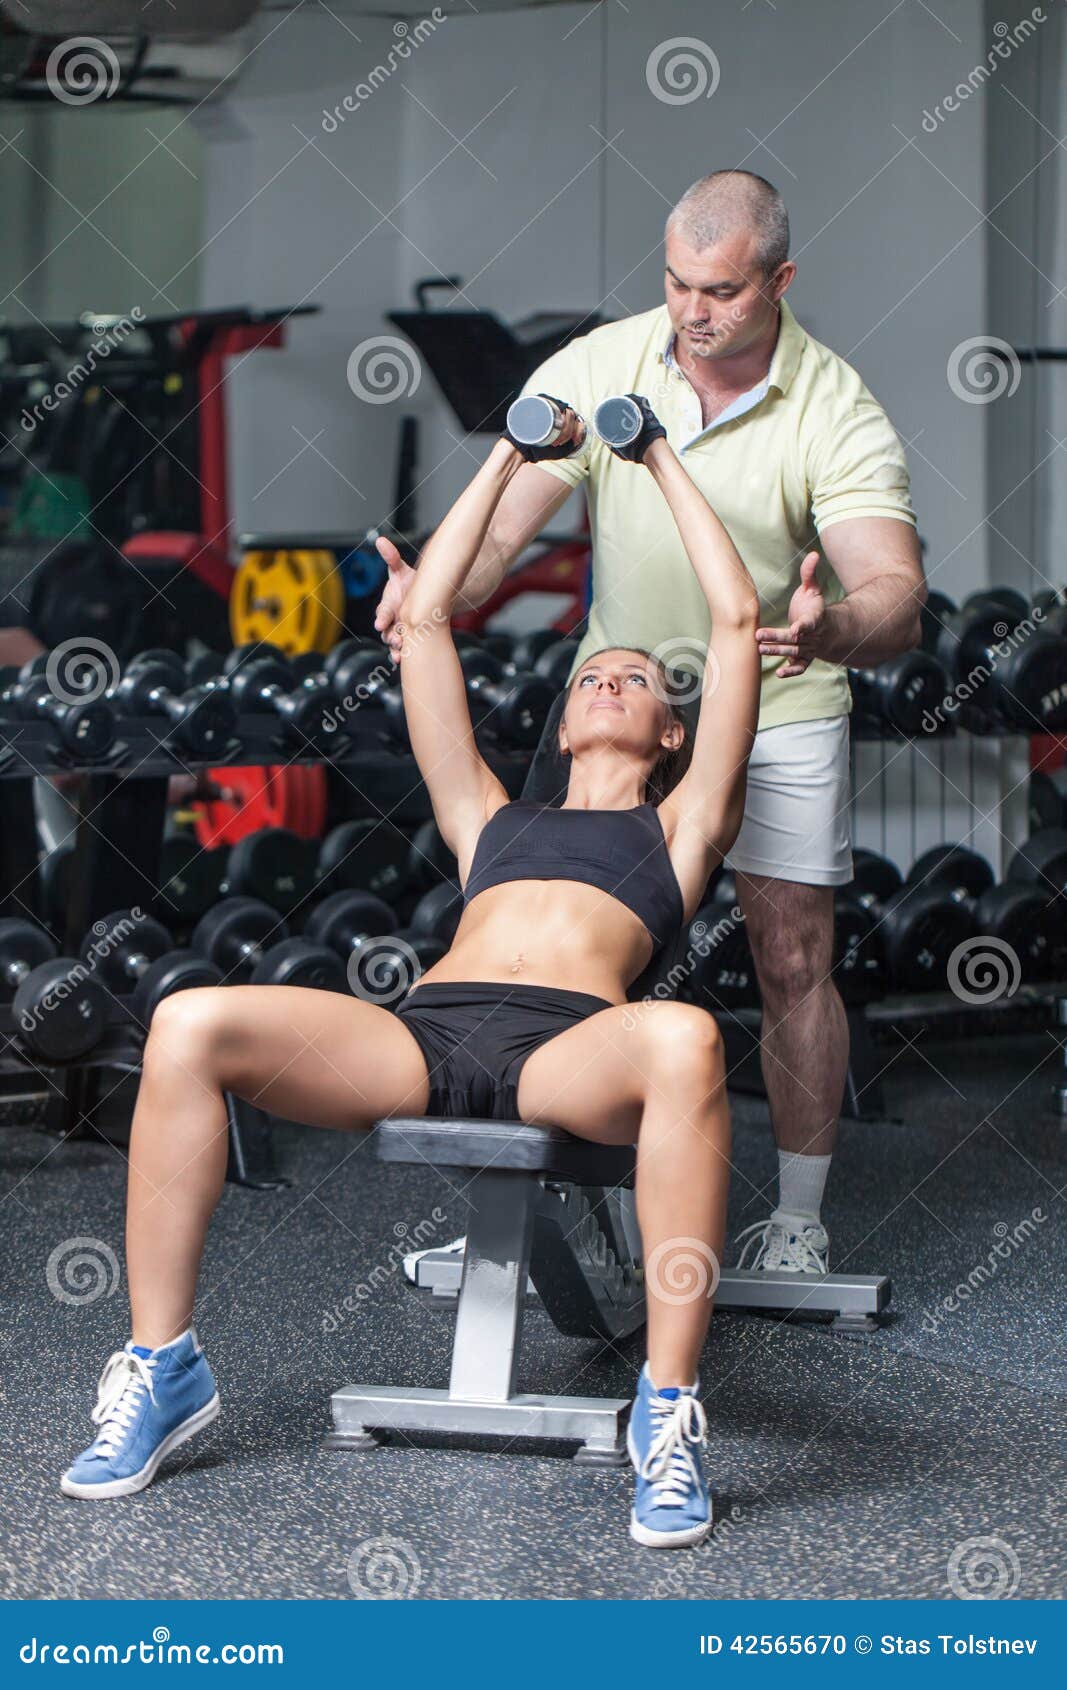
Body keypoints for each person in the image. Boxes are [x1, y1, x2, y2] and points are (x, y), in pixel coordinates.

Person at [60, 394, 761, 1551]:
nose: (605, 680)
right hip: (427, 1035)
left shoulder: (681, 827)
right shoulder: (488, 815)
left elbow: (733, 622)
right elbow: (425, 618)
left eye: (634, 677)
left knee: (683, 1034)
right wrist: (513, 450)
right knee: (188, 1020)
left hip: (564, 1053)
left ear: (670, 733)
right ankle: (160, 1364)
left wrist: (651, 454)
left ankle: (668, 1411)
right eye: (591, 673)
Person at [378, 170, 926, 1280]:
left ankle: (801, 1220)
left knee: (788, 955)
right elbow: (494, 550)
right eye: (675, 283)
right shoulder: (599, 366)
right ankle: (519, 1200)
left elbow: (895, 595)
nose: (690, 311)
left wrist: (829, 629)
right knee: (558, 945)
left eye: (719, 290)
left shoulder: (833, 406)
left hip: (778, 693)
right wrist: (431, 592)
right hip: (622, 697)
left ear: (778, 280)